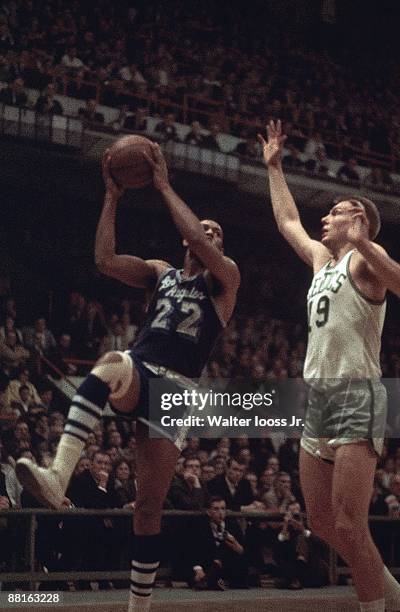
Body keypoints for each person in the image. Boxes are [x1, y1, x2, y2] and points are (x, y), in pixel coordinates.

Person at [16, 142, 240, 611]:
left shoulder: (225, 281)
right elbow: (104, 261)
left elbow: (199, 242)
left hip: (177, 392)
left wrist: (162, 184)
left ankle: (139, 607)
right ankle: (57, 476)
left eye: (216, 233)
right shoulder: (161, 273)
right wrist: (112, 196)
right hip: (140, 370)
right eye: (203, 230)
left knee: (147, 508)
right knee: (113, 360)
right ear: (183, 239)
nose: (208, 235)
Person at [258, 119, 400, 612]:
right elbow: (288, 222)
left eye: (337, 211)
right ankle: (390, 590)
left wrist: (363, 242)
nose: (327, 216)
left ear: (357, 219)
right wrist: (275, 168)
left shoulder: (366, 257)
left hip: (356, 394)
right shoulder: (323, 260)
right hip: (317, 398)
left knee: (349, 524)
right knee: (321, 522)